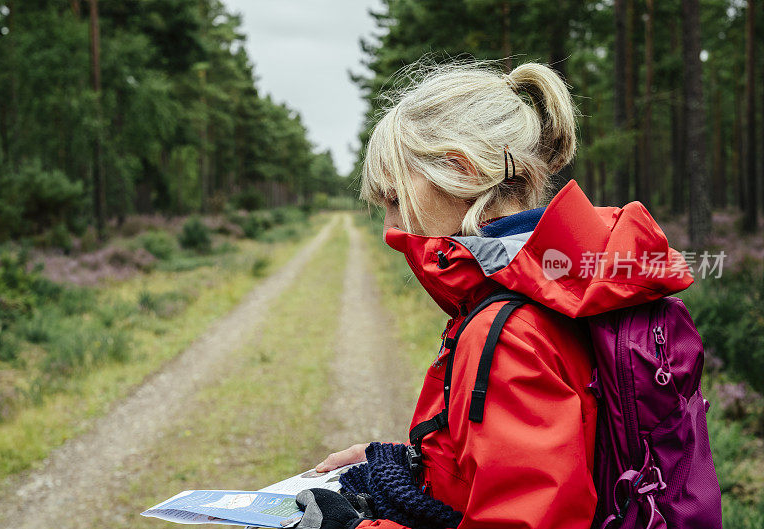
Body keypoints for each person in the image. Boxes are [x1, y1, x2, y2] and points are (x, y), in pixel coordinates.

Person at [295, 59, 693, 529]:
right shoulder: (563, 285)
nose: (389, 229)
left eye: (396, 199)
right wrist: (408, 463)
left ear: (459, 171)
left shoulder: (507, 333)